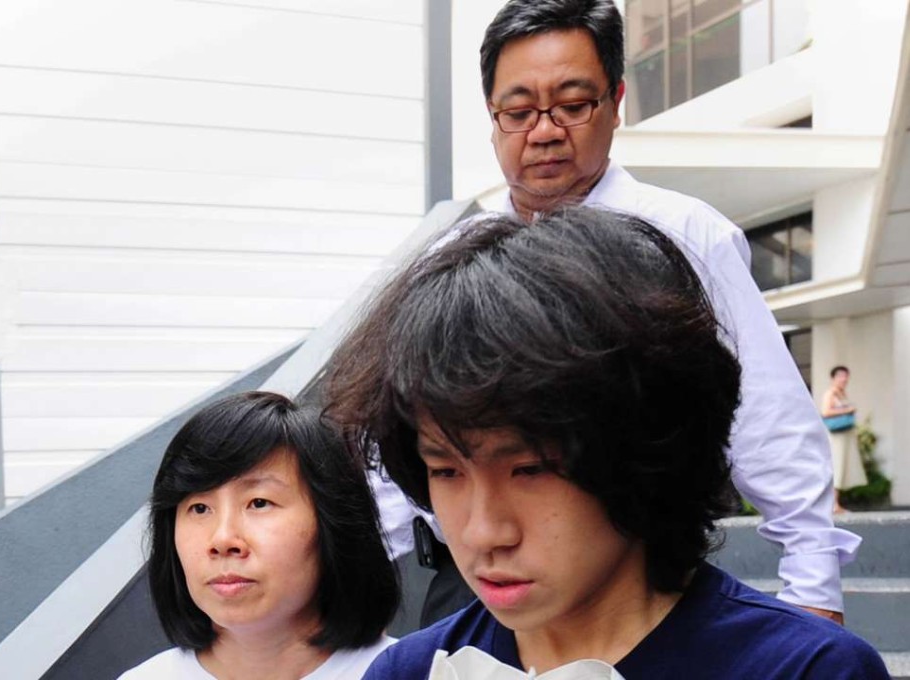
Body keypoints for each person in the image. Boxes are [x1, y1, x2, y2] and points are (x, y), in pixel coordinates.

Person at [378, 0, 859, 626]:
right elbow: (400, 440)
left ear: (616, 100)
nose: (545, 130)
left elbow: (769, 417)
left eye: (573, 105)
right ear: (492, 119)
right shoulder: (449, 261)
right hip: (472, 586)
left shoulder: (685, 236)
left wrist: (813, 584)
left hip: (637, 583)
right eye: (518, 111)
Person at [325, 208, 887, 679]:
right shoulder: (411, 671)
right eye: (445, 471)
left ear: (646, 450)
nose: (481, 532)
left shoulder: (802, 670)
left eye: (530, 469)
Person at [118, 391, 399, 680]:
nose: (223, 539)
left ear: (334, 523)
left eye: (259, 503)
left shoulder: (414, 671)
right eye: (200, 508)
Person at [821, 366, 867, 513]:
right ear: (833, 378)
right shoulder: (831, 393)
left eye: (845, 376)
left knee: (841, 469)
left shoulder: (841, 393)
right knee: (836, 468)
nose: (844, 379)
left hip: (844, 435)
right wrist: (848, 410)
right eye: (840, 376)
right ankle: (833, 504)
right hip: (836, 437)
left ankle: (836, 503)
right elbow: (825, 412)